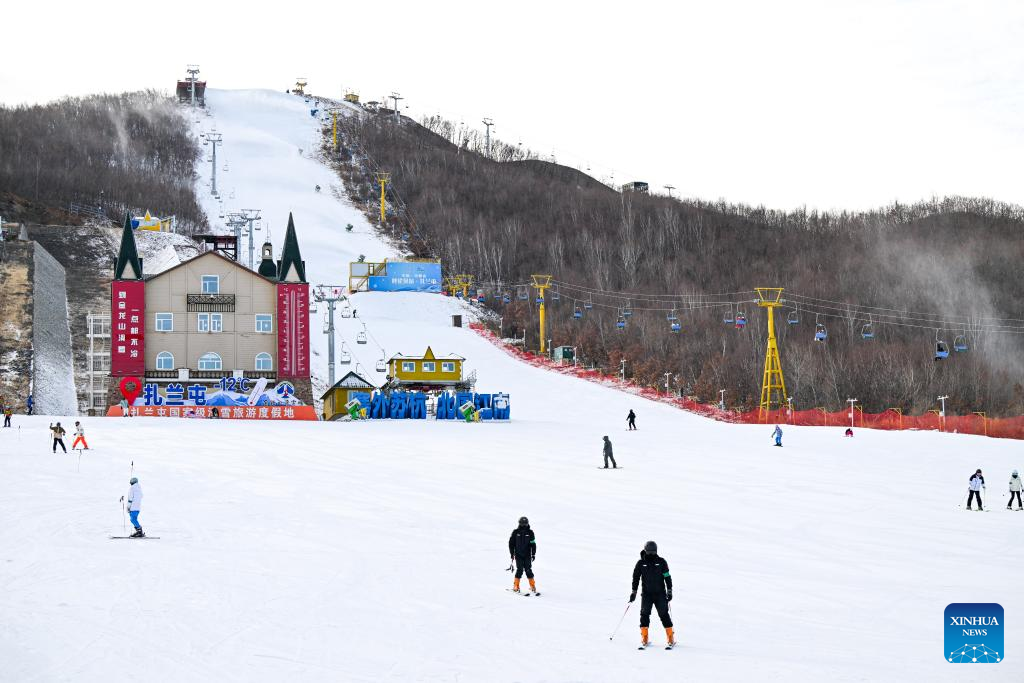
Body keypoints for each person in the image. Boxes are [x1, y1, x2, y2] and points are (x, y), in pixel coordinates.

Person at [630, 541, 675, 649]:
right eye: (649, 552)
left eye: (653, 552)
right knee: (644, 614)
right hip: (646, 594)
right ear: (645, 551)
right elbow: (635, 578)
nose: (651, 554)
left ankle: (670, 637)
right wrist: (634, 592)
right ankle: (644, 637)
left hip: (660, 594)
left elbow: (667, 576)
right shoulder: (641, 563)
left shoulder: (661, 562)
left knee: (664, 614)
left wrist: (669, 591)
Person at [508, 516, 537, 594]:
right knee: (519, 569)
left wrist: (533, 554)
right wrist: (512, 553)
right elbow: (511, 543)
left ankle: (532, 586)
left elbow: (533, 544)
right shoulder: (515, 532)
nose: (524, 525)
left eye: (525, 524)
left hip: (527, 554)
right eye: (522, 523)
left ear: (527, 524)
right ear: (519, 523)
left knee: (528, 570)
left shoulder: (530, 532)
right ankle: (516, 586)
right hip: (518, 554)